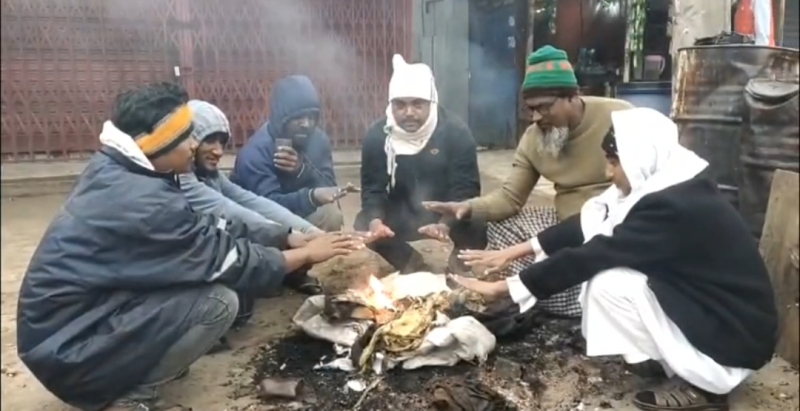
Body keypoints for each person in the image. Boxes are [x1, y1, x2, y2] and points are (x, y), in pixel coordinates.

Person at [15, 82, 360, 411]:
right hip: (70, 353)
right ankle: (132, 394)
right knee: (219, 301)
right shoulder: (144, 199)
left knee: (202, 279)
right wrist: (305, 254)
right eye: (187, 140)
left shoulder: (125, 170)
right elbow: (230, 260)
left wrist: (286, 236)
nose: (195, 148)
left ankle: (142, 360)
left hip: (69, 331)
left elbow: (211, 224)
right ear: (159, 144)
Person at [451, 108, 778, 411]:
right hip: (713, 306)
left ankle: (706, 384)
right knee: (609, 279)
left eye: (613, 162)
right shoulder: (667, 178)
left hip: (734, 331)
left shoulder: (675, 204)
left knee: (608, 283)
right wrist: (513, 252)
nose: (608, 173)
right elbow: (590, 221)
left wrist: (506, 288)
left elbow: (596, 253)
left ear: (639, 157)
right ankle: (670, 358)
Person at [425, 45, 633, 317]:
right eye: (530, 109)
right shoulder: (534, 138)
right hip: (566, 222)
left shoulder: (620, 116)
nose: (536, 118)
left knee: (596, 271)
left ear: (572, 96)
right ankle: (551, 287)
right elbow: (510, 198)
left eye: (544, 108)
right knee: (500, 228)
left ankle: (554, 290)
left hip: (621, 222)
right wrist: (466, 207)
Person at [356, 54, 487, 274]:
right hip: (402, 213)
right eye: (400, 105)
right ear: (391, 105)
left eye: (418, 104)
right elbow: (372, 189)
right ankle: (411, 263)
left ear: (431, 102)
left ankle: (460, 266)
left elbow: (466, 191)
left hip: (446, 211)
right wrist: (376, 222)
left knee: (477, 220)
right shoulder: (378, 137)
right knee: (364, 223)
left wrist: (445, 223)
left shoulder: (456, 133)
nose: (409, 112)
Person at [179, 99, 322, 235]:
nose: (219, 151)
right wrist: (288, 235)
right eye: (209, 141)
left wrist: (309, 231)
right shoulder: (181, 179)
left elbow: (252, 201)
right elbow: (229, 211)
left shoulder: (211, 175)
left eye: (222, 142)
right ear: (189, 141)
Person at [231, 75, 346, 232]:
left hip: (302, 215)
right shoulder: (254, 153)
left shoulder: (318, 140)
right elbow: (267, 208)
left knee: (330, 214)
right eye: (298, 118)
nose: (306, 124)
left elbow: (329, 188)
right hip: (262, 225)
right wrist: (310, 197)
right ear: (281, 118)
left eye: (311, 117)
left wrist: (302, 171)